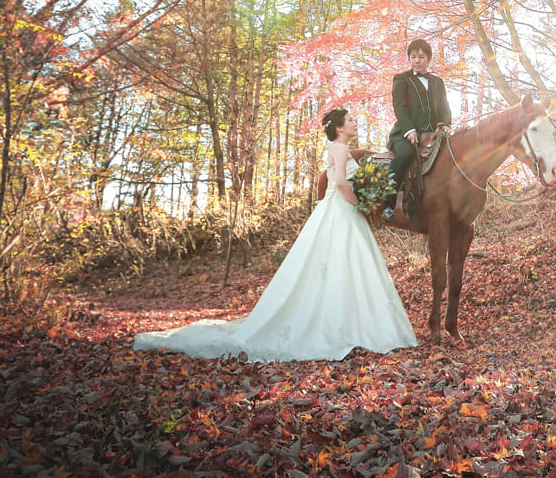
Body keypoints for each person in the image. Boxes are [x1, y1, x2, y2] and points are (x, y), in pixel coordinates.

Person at [132, 108, 417, 362]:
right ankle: (354, 326)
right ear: (340, 127)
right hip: (342, 210)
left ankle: (345, 322)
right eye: (351, 120)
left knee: (334, 267)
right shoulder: (340, 149)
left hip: (333, 212)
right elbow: (342, 183)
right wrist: (361, 205)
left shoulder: (333, 148)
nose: (355, 123)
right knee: (345, 266)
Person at [385, 38, 452, 219]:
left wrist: (445, 124)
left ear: (428, 59)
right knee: (406, 154)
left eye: (421, 57)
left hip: (433, 134)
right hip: (405, 134)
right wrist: (409, 130)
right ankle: (387, 204)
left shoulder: (438, 82)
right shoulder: (401, 79)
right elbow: (400, 106)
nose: (417, 60)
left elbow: (445, 108)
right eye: (413, 57)